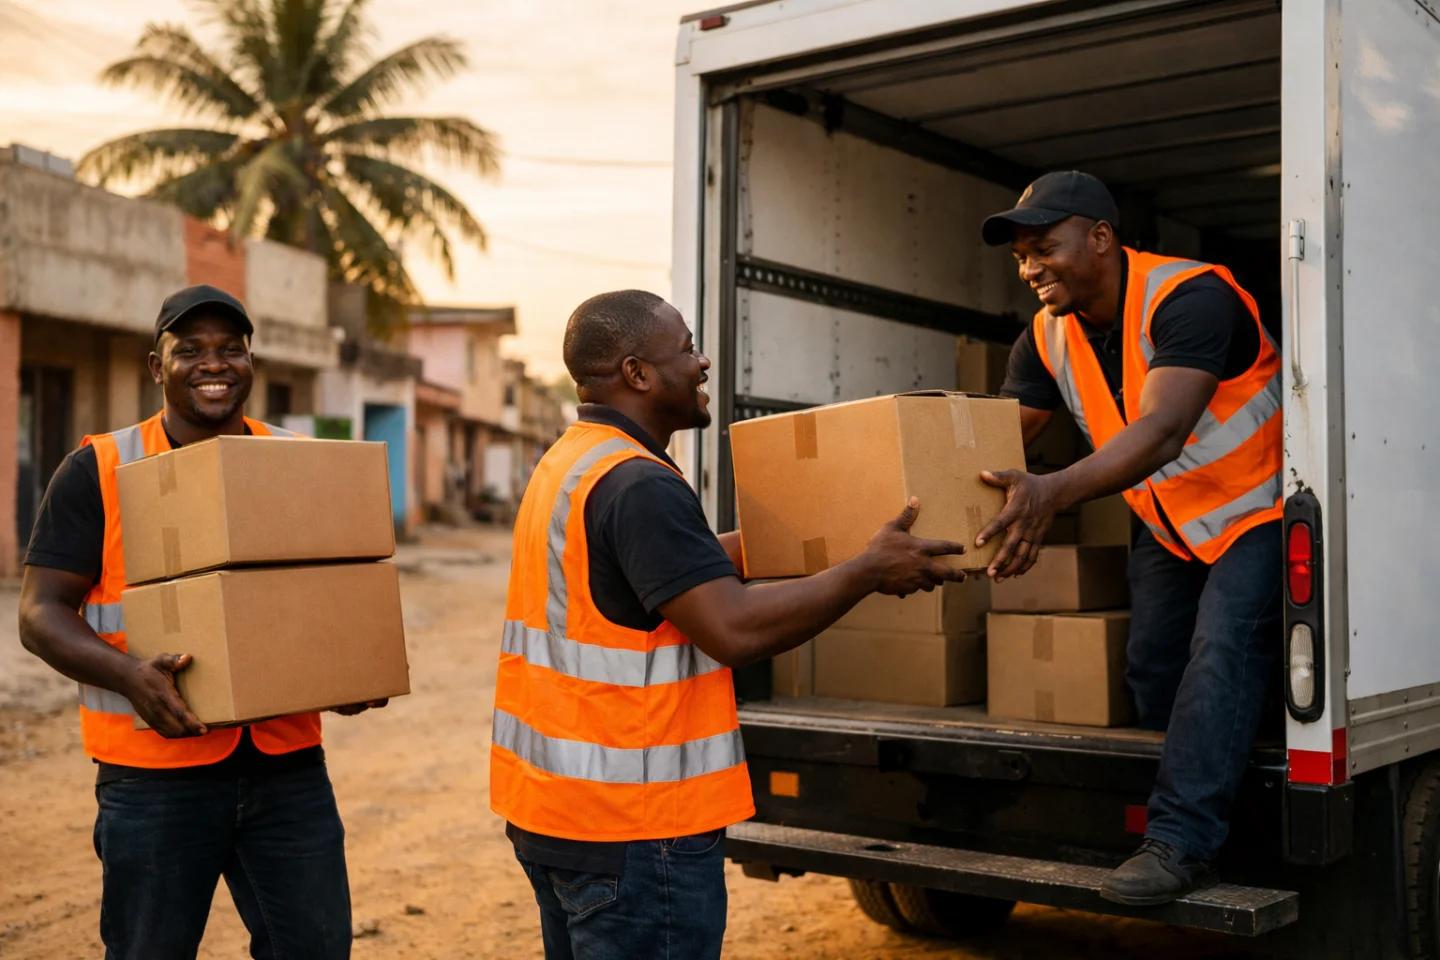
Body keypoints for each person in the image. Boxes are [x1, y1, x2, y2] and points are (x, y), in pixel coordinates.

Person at [493, 289, 968, 959]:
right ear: (637, 373)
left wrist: (828, 539)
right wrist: (865, 572)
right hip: (636, 828)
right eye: (686, 348)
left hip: (560, 817)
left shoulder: (574, 461)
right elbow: (733, 628)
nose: (702, 361)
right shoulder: (639, 484)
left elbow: (662, 575)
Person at [17, 285, 381, 959]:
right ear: (157, 366)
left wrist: (346, 668)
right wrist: (129, 676)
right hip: (153, 775)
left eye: (230, 350)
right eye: (190, 350)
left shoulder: (294, 464)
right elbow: (40, 614)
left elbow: (324, 593)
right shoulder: (100, 467)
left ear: (250, 361)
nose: (214, 364)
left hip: (287, 768)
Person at [976, 171, 1282, 905]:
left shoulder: (1191, 297)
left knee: (1223, 653)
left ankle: (1182, 841)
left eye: (1044, 247)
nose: (1029, 269)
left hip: (1256, 510)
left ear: (1102, 238)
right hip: (1169, 523)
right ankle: (1203, 790)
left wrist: (1048, 492)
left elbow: (1162, 429)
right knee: (1151, 668)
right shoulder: (1045, 336)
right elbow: (1003, 438)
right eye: (1020, 257)